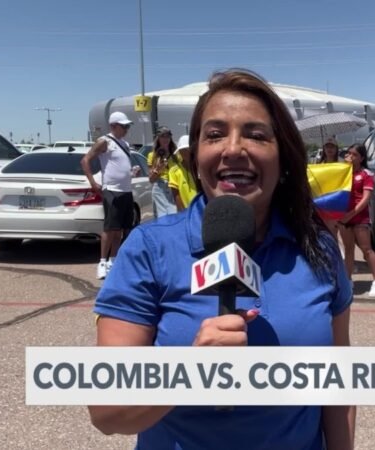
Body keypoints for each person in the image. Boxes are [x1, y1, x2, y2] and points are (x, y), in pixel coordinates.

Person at [89, 69, 355, 450]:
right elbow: (106, 414)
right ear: (196, 156)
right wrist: (189, 372)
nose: (233, 148)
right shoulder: (149, 249)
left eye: (256, 134)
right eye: (214, 134)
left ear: (284, 157)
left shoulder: (319, 249)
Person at [81, 111, 139, 280]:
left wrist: (131, 173)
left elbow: (119, 167)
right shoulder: (104, 142)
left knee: (120, 228)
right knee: (109, 227)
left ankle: (114, 260)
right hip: (112, 190)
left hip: (126, 190)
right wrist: (93, 182)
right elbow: (85, 160)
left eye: (127, 126)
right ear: (113, 126)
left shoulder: (125, 144)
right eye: (124, 126)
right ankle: (102, 262)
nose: (127, 129)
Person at [338, 144, 375, 297]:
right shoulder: (343, 172)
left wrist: (351, 214)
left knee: (366, 249)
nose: (350, 156)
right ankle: (348, 281)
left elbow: (365, 199)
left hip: (359, 217)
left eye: (354, 155)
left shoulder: (366, 174)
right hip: (344, 217)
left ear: (362, 158)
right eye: (349, 153)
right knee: (349, 249)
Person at [147, 127, 178, 218]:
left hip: (174, 187)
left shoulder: (176, 155)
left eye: (167, 136)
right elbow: (151, 180)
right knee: (162, 218)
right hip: (159, 187)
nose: (165, 139)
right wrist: (158, 168)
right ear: (158, 138)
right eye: (162, 136)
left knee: (174, 215)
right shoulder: (152, 156)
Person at [167, 135, 198, 211]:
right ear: (179, 152)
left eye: (188, 149)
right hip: (185, 211)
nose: (187, 152)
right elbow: (176, 195)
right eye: (183, 150)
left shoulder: (200, 167)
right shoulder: (174, 171)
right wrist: (182, 213)